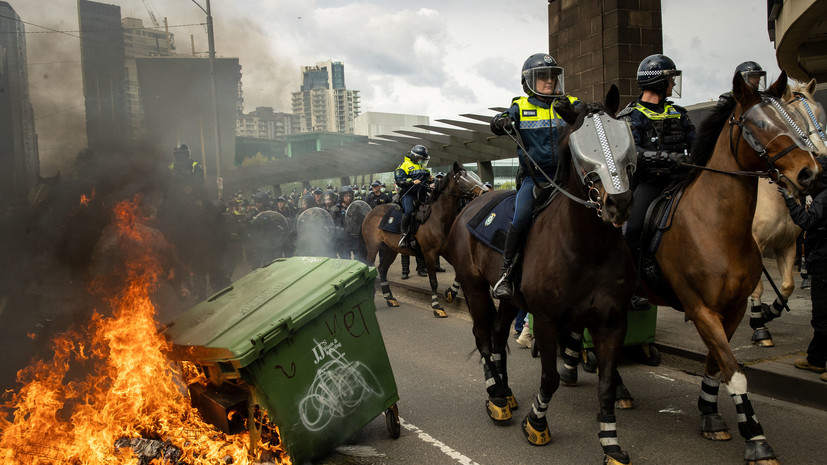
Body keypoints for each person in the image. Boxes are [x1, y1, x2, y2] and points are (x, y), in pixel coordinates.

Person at [489, 53, 582, 300]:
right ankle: (506, 274)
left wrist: (577, 113)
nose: (549, 82)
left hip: (569, 177)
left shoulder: (570, 101)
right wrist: (501, 122)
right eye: (542, 77)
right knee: (520, 217)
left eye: (552, 77)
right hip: (537, 179)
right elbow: (500, 121)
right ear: (529, 81)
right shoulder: (521, 105)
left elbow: (591, 115)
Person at [618, 53, 696, 310]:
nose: (673, 85)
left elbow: (696, 145)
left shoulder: (678, 113)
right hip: (650, 184)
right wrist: (665, 157)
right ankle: (633, 285)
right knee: (634, 228)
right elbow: (631, 153)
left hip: (681, 181)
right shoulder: (630, 115)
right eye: (670, 79)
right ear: (658, 82)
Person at [780, 159, 827, 382]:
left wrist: (789, 199)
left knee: (822, 315)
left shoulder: (824, 196)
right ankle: (816, 359)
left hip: (824, 263)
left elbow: (807, 221)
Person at [395, 144, 433, 248]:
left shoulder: (423, 168)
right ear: (415, 157)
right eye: (421, 159)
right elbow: (399, 181)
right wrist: (411, 182)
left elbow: (428, 179)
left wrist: (431, 179)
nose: (423, 161)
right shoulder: (403, 166)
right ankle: (403, 235)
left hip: (423, 194)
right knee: (409, 210)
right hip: (409, 194)